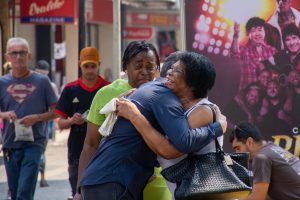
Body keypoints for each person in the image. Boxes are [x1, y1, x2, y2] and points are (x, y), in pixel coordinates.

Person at [79, 52, 226, 200]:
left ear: (193, 80)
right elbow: (176, 146)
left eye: (177, 70)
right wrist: (218, 127)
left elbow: (174, 146)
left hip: (111, 180)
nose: (169, 73)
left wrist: (135, 116)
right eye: (171, 69)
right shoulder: (163, 96)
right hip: (113, 181)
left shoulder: (199, 108)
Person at [74, 40, 161, 200]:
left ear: (157, 69)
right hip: (113, 182)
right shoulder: (106, 94)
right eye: (138, 65)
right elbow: (91, 143)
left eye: (150, 66)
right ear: (125, 67)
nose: (144, 71)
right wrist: (79, 190)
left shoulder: (163, 96)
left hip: (151, 182)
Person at [0, 37, 58, 200]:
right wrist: (4, 115)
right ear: (7, 57)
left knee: (24, 192)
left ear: (29, 56)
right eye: (14, 53)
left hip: (35, 143)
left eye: (22, 53)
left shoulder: (42, 81)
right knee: (15, 190)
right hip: (11, 144)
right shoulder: (2, 82)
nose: (18, 57)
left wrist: (37, 118)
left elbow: (57, 111)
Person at [54, 47, 110, 198]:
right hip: (76, 152)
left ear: (99, 64)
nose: (90, 70)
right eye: (86, 66)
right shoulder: (70, 89)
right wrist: (72, 120)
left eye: (93, 66)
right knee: (78, 193)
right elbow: (59, 123)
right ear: (80, 65)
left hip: (103, 150)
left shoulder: (108, 89)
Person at [229, 121, 300, 200]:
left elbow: (257, 198)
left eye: (238, 148)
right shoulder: (271, 148)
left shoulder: (261, 158)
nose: (237, 153)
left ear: (249, 142)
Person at [230, 17, 277, 91]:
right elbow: (234, 52)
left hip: (267, 97)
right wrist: (236, 36)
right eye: (253, 31)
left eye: (260, 30)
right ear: (248, 34)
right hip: (248, 95)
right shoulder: (244, 49)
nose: (257, 33)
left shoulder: (272, 50)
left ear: (265, 32)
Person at [34, 59, 60, 188]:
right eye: (39, 73)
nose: (42, 76)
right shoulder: (31, 84)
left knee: (41, 151)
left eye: (44, 74)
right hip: (28, 123)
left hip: (45, 121)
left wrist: (55, 120)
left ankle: (42, 178)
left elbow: (56, 106)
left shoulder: (50, 85)